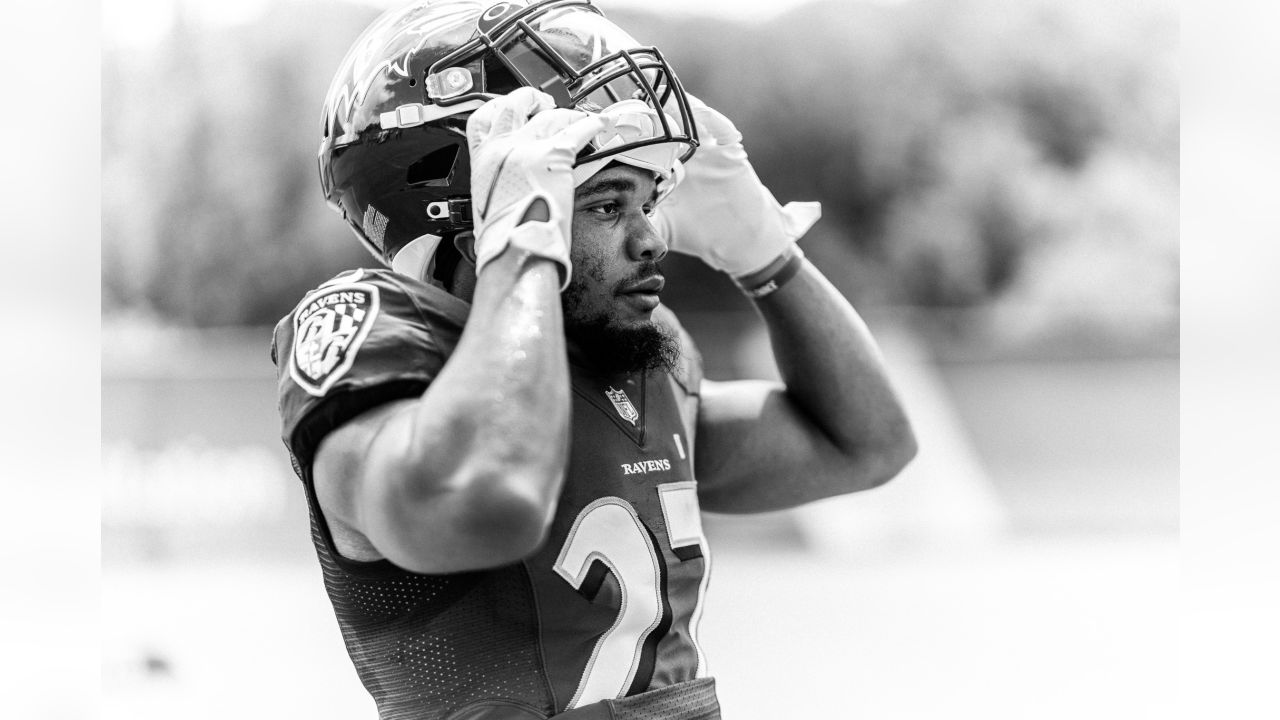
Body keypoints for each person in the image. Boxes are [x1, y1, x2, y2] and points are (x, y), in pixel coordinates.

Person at [270, 1, 917, 718]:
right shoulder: (383, 334)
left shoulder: (635, 363)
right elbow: (490, 501)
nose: (653, 238)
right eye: (608, 204)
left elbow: (866, 443)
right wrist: (522, 247)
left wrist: (768, 256)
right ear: (468, 211)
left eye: (649, 199)